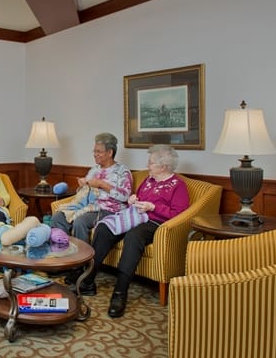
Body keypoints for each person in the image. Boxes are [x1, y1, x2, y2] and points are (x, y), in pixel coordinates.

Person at [77, 144, 190, 318]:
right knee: (105, 227)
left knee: (134, 236)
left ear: (164, 166)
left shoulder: (177, 185)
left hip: (156, 223)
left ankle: (120, 293)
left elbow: (180, 214)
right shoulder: (149, 180)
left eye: (151, 163)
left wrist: (153, 207)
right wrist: (134, 199)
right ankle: (88, 280)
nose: (147, 166)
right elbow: (139, 198)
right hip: (135, 216)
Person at [51, 133, 132, 243]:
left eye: (99, 151)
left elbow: (125, 196)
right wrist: (82, 187)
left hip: (109, 210)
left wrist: (101, 184)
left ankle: (82, 259)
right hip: (88, 206)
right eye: (94, 151)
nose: (95, 154)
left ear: (110, 152)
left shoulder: (122, 171)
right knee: (58, 217)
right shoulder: (94, 170)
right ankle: (63, 252)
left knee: (80, 222)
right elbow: (84, 194)